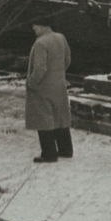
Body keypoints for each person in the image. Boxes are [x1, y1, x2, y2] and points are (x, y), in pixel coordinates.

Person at [25, 19, 72, 163]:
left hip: (42, 87)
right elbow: (67, 59)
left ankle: (49, 154)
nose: (34, 30)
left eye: (34, 27)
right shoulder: (61, 37)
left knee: (44, 119)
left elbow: (40, 68)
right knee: (60, 116)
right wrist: (58, 74)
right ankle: (66, 149)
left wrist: (31, 83)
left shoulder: (40, 43)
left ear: (40, 26)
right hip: (59, 84)